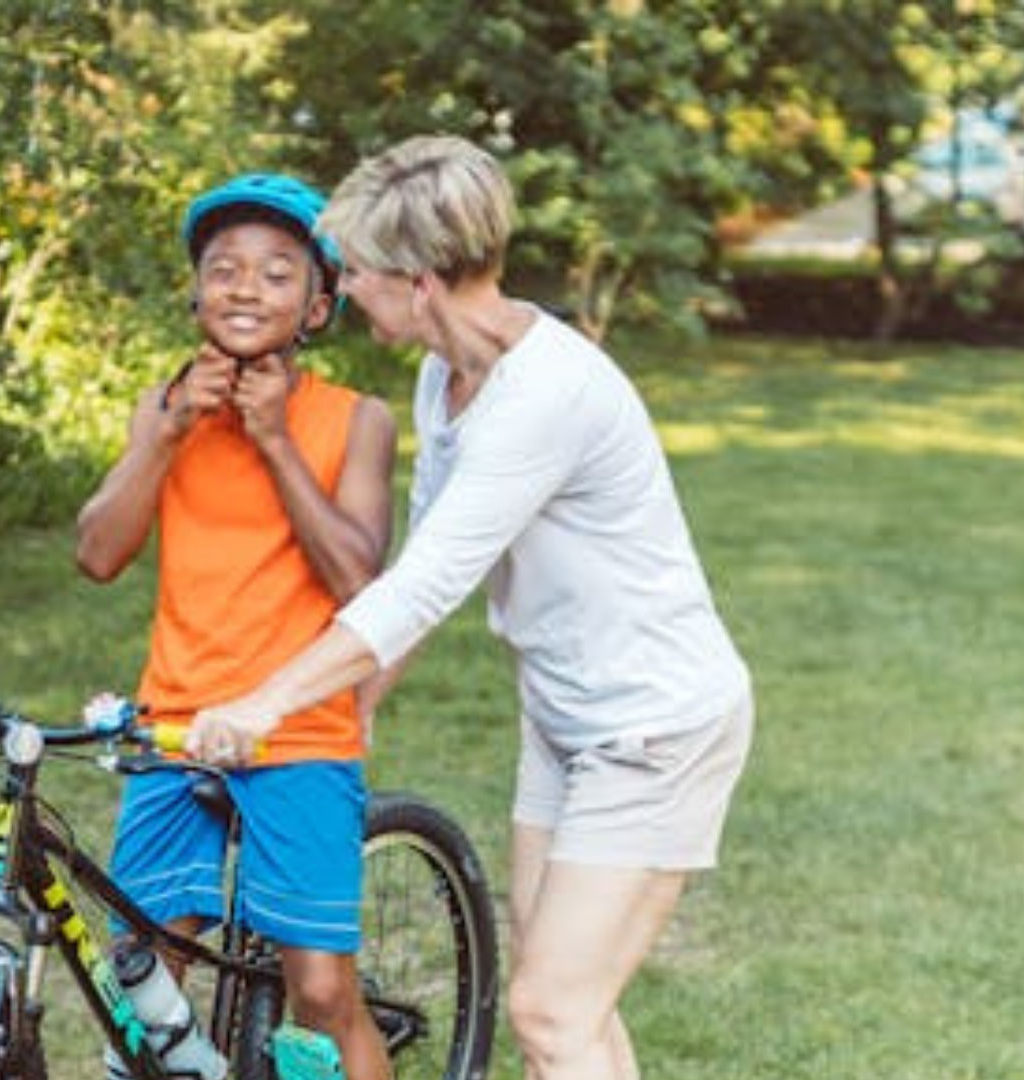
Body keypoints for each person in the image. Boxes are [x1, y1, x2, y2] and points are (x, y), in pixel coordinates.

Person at [186, 135, 754, 1080]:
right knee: (566, 1005)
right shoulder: (444, 377)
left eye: (359, 272)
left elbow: (425, 584)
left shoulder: (544, 395)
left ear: (423, 284)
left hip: (657, 727)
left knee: (550, 1010)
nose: (348, 287)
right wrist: (358, 702)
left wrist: (264, 703)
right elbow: (423, 565)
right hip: (566, 717)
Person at [75, 173, 398, 1080]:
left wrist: (276, 442)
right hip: (174, 723)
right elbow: (98, 554)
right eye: (224, 270)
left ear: (320, 305)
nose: (246, 288)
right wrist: (168, 433)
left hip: (299, 730)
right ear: (195, 294)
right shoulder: (163, 407)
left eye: (277, 273)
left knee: (323, 994)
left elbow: (357, 580)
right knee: (143, 980)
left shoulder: (355, 420)